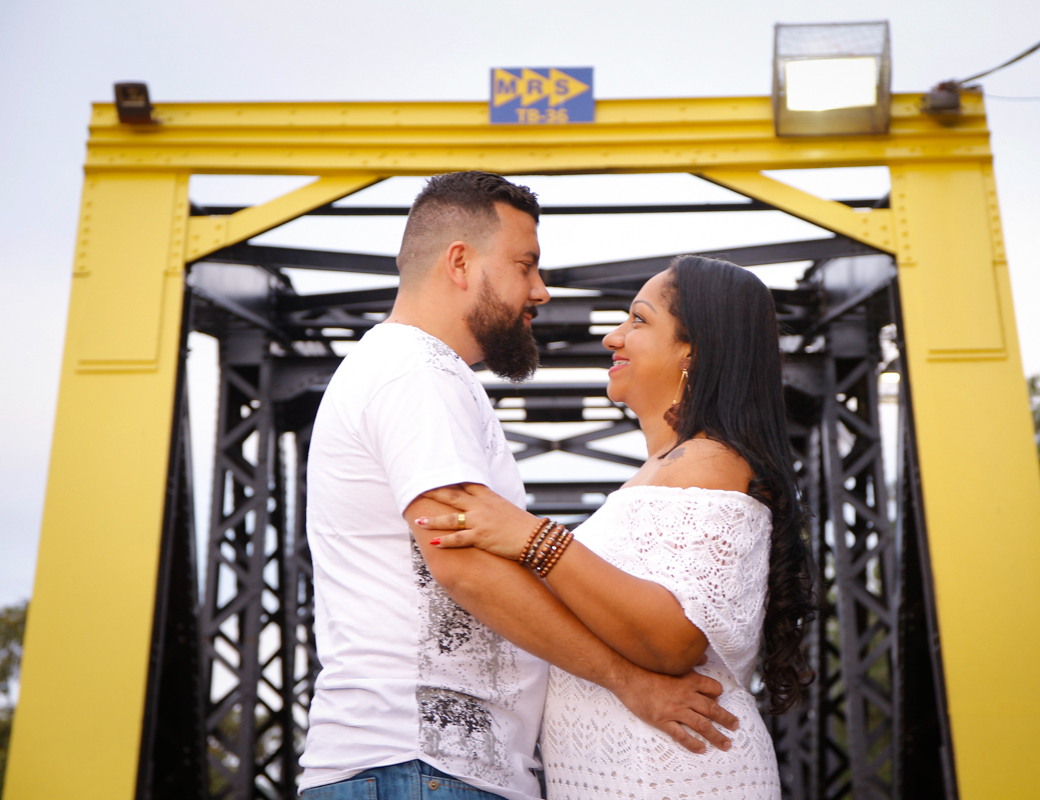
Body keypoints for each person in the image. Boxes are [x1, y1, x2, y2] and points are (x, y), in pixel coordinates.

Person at [299, 174, 740, 800]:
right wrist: (627, 680)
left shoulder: (414, 373)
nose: (540, 290)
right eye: (525, 265)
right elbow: (464, 567)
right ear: (460, 262)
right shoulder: (413, 373)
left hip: (429, 769)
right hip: (417, 764)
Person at [416, 255, 817, 800]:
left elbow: (674, 642)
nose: (612, 337)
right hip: (637, 770)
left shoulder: (711, 462)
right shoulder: (667, 471)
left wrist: (534, 541)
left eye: (639, 321)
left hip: (674, 772)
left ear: (692, 350)